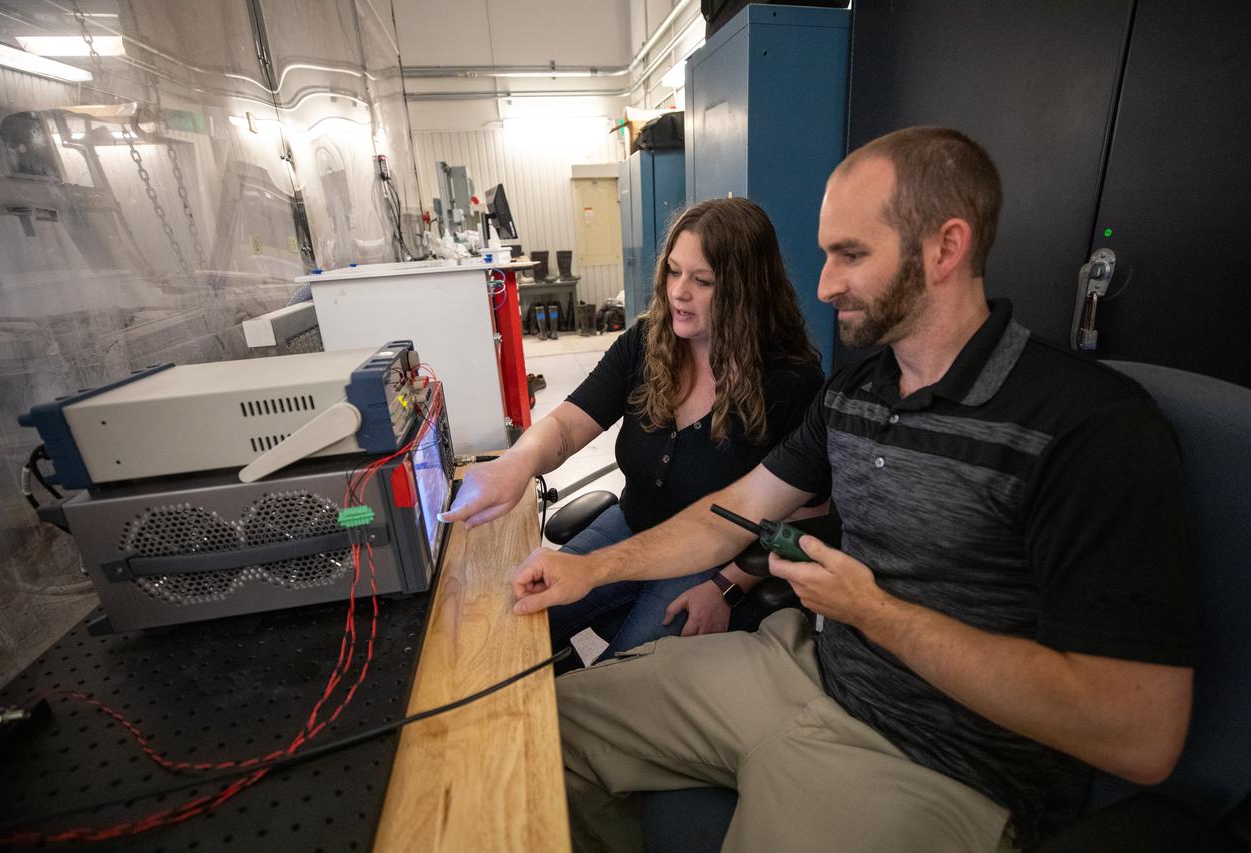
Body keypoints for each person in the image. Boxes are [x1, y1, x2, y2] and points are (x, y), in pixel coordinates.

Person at [509, 127, 1195, 851]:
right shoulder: (854, 395)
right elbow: (738, 511)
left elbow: (1140, 734)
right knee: (540, 731)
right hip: (803, 667)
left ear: (946, 247)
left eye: (851, 254)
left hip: (936, 760)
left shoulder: (1089, 427)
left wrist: (875, 612)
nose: (826, 283)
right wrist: (592, 568)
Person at [442, 197, 825, 665]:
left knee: (612, 682)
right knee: (507, 626)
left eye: (702, 281)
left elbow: (806, 520)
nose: (678, 292)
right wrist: (516, 462)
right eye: (673, 272)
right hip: (630, 525)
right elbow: (565, 426)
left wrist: (728, 585)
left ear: (747, 291)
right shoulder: (647, 342)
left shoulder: (790, 380)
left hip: (710, 564)